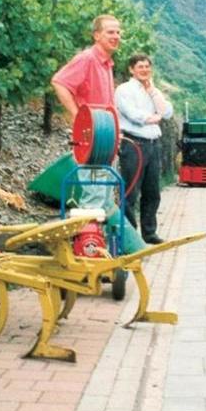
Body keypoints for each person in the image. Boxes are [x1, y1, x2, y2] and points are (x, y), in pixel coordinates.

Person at [51, 14, 148, 252]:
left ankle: (134, 249)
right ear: (96, 35)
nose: (116, 37)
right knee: (93, 204)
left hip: (105, 143)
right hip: (92, 145)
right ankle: (88, 255)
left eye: (118, 32)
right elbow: (59, 82)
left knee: (105, 202)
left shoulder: (107, 64)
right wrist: (78, 118)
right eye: (110, 32)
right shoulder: (87, 59)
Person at [115, 54, 174, 245]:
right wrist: (153, 117)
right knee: (131, 191)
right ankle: (130, 235)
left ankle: (149, 232)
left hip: (153, 144)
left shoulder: (153, 90)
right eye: (140, 66)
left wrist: (154, 93)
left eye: (147, 67)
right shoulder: (124, 90)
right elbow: (132, 114)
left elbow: (167, 112)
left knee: (152, 191)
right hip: (133, 143)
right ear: (132, 69)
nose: (144, 70)